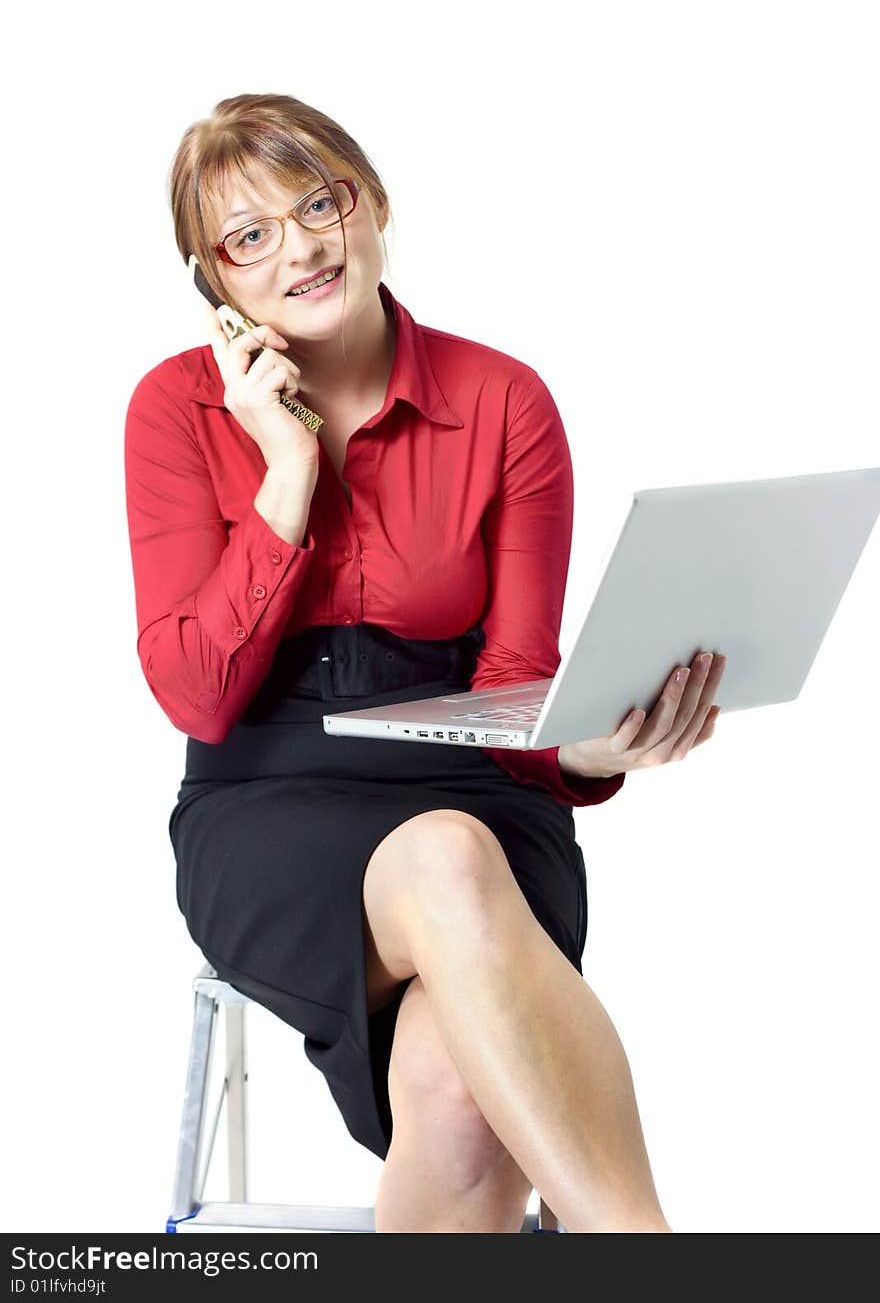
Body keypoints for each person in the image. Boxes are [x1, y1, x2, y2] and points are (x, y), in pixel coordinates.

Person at [124, 92, 724, 1233]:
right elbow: (197, 696)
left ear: (372, 205)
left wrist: (590, 747)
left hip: (477, 790)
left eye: (319, 203)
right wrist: (284, 476)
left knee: (461, 1082)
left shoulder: (503, 400)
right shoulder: (173, 409)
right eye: (248, 237)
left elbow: (515, 686)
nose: (298, 248)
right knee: (448, 858)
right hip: (265, 807)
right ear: (213, 282)